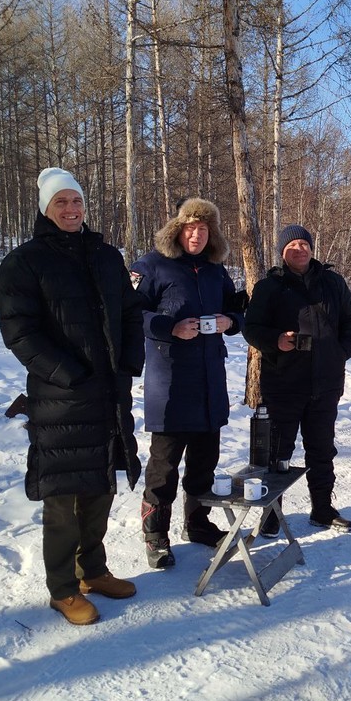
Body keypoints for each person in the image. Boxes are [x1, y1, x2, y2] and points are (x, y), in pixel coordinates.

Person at [0, 167, 145, 626]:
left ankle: (92, 571)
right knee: (62, 498)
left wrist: (128, 366)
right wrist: (67, 373)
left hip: (107, 395)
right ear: (45, 208)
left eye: (76, 201)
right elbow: (19, 331)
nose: (70, 209)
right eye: (60, 202)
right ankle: (62, 589)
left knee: (100, 485)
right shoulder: (25, 262)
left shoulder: (105, 256)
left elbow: (131, 314)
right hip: (61, 398)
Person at [130, 198, 244, 569]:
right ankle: (155, 536)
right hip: (171, 382)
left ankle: (197, 523)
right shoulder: (152, 265)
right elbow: (130, 313)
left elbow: (237, 305)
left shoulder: (215, 269)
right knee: (164, 466)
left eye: (203, 228)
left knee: (204, 461)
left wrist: (231, 320)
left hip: (210, 380)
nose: (196, 234)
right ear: (177, 229)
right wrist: (170, 328)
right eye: (190, 227)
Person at [243, 224, 351, 537]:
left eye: (304, 244)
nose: (299, 249)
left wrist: (342, 350)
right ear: (283, 252)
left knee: (322, 450)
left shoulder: (332, 282)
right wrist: (277, 340)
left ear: (311, 248)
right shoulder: (271, 287)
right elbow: (251, 327)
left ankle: (322, 508)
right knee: (278, 452)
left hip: (326, 383)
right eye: (292, 245)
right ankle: (271, 513)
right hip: (283, 383)